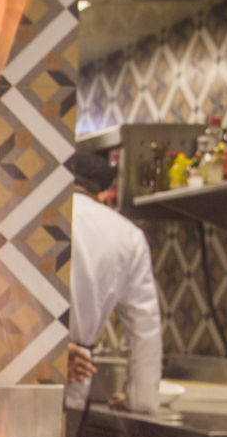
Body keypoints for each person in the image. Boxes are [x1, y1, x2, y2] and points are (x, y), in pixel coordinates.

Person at [64, 150, 162, 415]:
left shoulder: (33, 216)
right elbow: (145, 328)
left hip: (11, 379)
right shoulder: (127, 235)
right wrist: (141, 400)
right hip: (72, 389)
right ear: (103, 195)